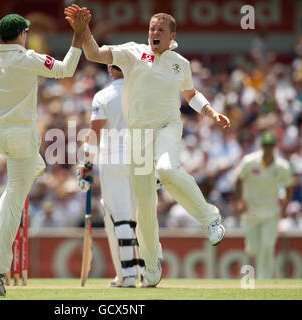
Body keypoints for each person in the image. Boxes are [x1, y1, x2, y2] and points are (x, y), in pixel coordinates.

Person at [66, 5, 230, 287]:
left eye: (160, 30)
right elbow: (94, 53)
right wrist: (84, 32)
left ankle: (210, 218)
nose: (154, 32)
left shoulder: (181, 63)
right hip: (137, 135)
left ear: (172, 35)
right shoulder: (133, 52)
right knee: (144, 205)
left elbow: (190, 93)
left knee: (166, 170)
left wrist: (211, 113)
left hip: (167, 126)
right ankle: (152, 265)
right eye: (152, 28)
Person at [0, 11, 91, 297]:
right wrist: (78, 35)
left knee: (37, 166)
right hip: (22, 135)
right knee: (17, 199)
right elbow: (66, 69)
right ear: (21, 35)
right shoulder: (27, 57)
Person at [78, 65, 146, 288]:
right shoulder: (140, 92)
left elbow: (95, 132)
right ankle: (144, 274)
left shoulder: (103, 95)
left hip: (113, 160)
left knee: (121, 218)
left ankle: (127, 276)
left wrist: (87, 162)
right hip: (140, 159)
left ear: (109, 69)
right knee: (139, 218)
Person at [235, 131, 295, 278]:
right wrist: (241, 200)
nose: (268, 148)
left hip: (271, 211)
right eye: (265, 145)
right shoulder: (249, 161)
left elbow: (289, 186)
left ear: (274, 146)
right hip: (251, 211)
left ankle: (264, 281)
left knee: (267, 247)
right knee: (253, 249)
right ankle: (254, 276)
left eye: (270, 145)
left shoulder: (282, 166)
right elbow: (238, 179)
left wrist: (285, 207)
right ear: (261, 146)